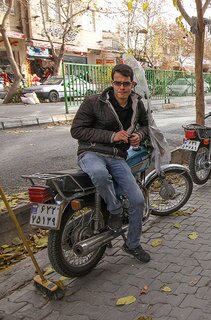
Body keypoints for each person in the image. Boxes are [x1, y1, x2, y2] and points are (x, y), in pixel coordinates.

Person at [70, 64, 151, 263]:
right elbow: (77, 130)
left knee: (137, 200)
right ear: (112, 83)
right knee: (98, 173)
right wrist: (112, 136)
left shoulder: (136, 104)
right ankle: (114, 210)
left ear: (132, 84)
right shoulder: (93, 102)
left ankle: (132, 244)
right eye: (117, 83)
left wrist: (138, 136)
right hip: (91, 153)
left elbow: (146, 125)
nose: (121, 88)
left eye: (126, 84)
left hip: (117, 157)